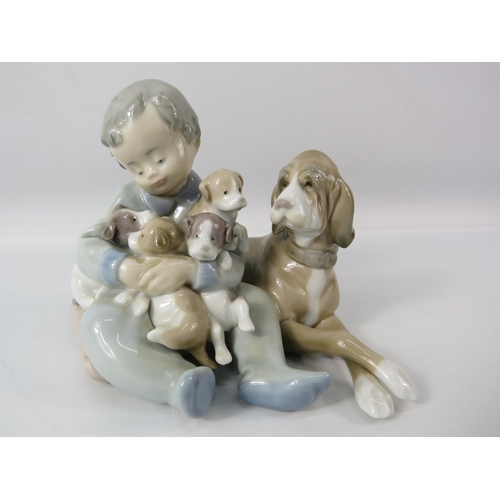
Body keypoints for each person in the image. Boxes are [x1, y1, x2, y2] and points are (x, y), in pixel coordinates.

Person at [75, 79, 331, 418]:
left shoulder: (214, 196)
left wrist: (194, 270)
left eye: (159, 157)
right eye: (135, 168)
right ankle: (174, 382)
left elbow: (235, 263)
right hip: (143, 297)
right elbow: (88, 245)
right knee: (99, 324)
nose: (150, 174)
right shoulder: (128, 199)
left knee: (256, 302)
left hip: (208, 294)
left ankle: (266, 374)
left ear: (192, 140)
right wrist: (123, 268)